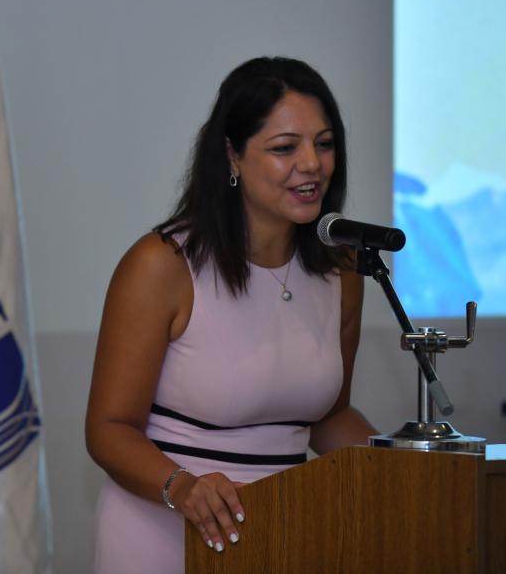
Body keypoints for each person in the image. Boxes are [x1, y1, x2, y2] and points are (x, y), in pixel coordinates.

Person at [85, 56, 377, 571]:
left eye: (324, 143)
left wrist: (400, 466)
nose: (312, 164)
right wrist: (184, 487)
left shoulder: (343, 269)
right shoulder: (162, 266)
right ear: (232, 156)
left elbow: (327, 417)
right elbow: (109, 428)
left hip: (281, 533)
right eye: (285, 147)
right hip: (166, 530)